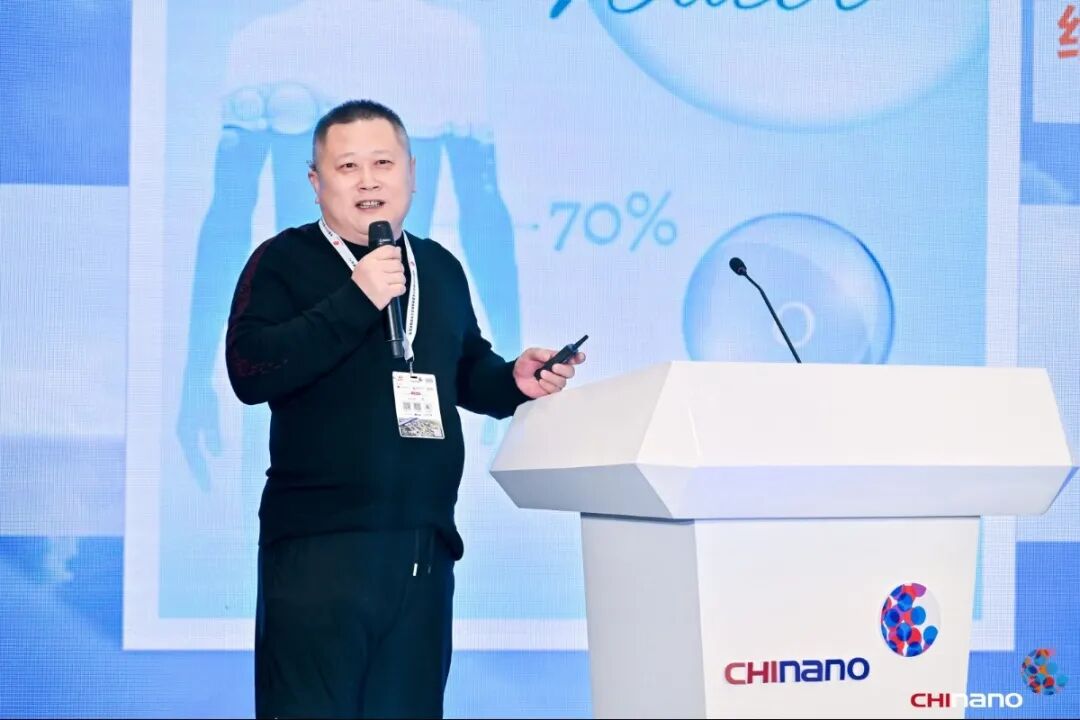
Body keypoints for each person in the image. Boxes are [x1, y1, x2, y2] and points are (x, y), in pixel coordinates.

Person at [224, 99, 585, 719]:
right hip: (318, 548)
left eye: (383, 163)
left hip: (422, 545)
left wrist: (513, 381)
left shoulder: (438, 266)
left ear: (412, 173)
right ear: (315, 182)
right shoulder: (283, 260)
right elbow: (249, 371)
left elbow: (464, 369)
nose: (368, 181)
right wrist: (356, 298)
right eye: (347, 167)